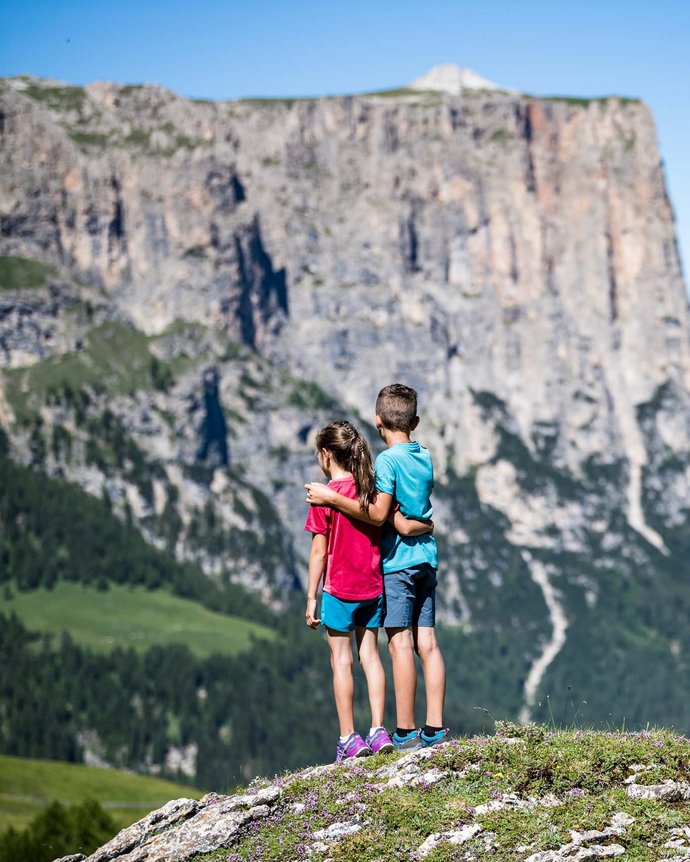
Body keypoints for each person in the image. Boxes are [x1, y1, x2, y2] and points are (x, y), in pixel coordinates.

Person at [305, 385, 448, 750]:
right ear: (415, 421)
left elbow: (381, 514)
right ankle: (435, 728)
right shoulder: (425, 456)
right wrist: (420, 525)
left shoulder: (385, 462)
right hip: (426, 558)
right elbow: (409, 516)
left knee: (399, 645)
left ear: (378, 420)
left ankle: (403, 731)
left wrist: (332, 497)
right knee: (428, 643)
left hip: (397, 565)